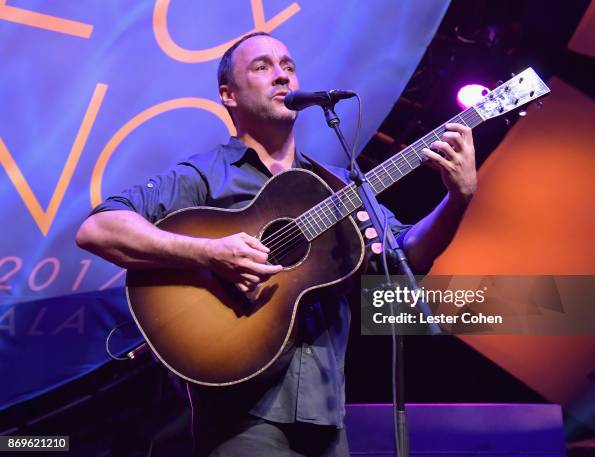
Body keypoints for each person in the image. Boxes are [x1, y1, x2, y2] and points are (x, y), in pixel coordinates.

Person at [76, 32, 477, 456]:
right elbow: (99, 229)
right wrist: (210, 252)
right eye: (262, 67)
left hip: (327, 411)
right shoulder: (205, 174)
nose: (282, 76)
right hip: (239, 412)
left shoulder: (337, 184)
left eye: (288, 65)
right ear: (228, 95)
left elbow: (405, 256)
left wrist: (458, 200)